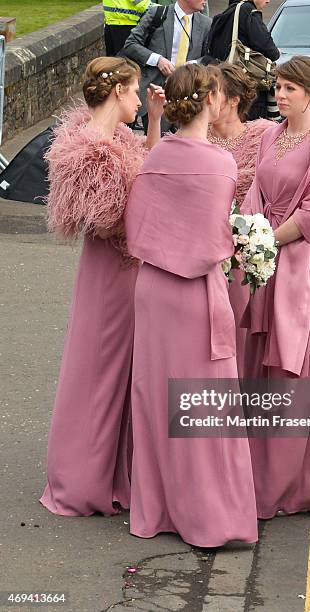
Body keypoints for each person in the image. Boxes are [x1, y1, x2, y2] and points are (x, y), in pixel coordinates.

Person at [124, 64, 258, 547]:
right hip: (195, 294)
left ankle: (156, 511)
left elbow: (138, 224)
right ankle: (208, 516)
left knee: (156, 402)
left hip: (153, 290)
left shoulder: (156, 154)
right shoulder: (220, 163)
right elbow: (213, 241)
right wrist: (242, 244)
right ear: (207, 101)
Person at [39, 57, 165, 517]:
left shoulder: (119, 137)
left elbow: (149, 170)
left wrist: (153, 121)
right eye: (135, 92)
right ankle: (83, 480)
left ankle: (114, 473)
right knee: (99, 371)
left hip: (123, 271)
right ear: (116, 92)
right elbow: (111, 218)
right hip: (111, 272)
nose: (139, 98)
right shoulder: (90, 146)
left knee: (123, 373)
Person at [241, 56, 310, 518]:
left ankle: (282, 487)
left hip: (298, 266)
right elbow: (255, 195)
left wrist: (263, 240)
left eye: (290, 90)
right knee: (255, 369)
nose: (280, 96)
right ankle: (250, 476)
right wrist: (247, 232)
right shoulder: (270, 135)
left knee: (288, 375)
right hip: (264, 263)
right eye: (278, 87)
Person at [207, 63, 272, 376]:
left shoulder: (263, 140)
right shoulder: (194, 137)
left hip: (243, 258)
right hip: (200, 257)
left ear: (233, 100)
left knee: (238, 337)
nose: (206, 99)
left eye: (214, 93)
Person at [121, 0, 211, 133]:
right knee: (156, 146)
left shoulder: (206, 24)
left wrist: (194, 64)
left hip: (189, 98)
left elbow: (210, 56)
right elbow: (131, 44)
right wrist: (157, 60)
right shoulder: (157, 14)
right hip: (157, 93)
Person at [205, 0, 280, 119]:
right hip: (248, 88)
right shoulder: (249, 12)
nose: (268, 0)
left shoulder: (225, 14)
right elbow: (271, 51)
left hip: (224, 85)